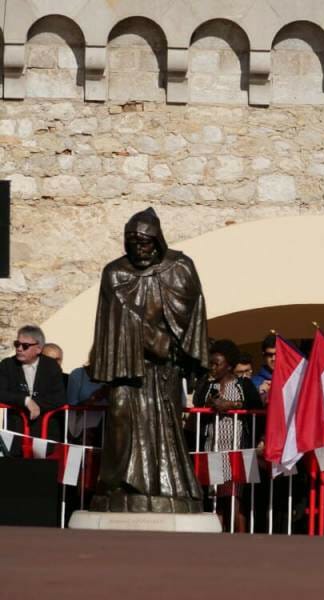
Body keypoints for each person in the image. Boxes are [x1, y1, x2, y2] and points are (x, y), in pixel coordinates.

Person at [88, 208, 207, 513]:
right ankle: (118, 483)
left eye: (144, 243)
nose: (139, 249)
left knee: (165, 425)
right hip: (127, 365)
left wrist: (175, 349)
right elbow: (113, 322)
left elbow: (192, 314)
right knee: (119, 414)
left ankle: (168, 487)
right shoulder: (115, 273)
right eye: (132, 243)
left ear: (157, 241)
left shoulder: (179, 267)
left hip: (165, 365)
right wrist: (149, 339)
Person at [194, 339, 260, 532]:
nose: (213, 368)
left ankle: (239, 540)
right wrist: (210, 399)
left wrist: (230, 405)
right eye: (211, 363)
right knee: (216, 500)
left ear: (229, 366)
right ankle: (218, 540)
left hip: (237, 450)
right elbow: (198, 400)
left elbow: (255, 404)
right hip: (213, 448)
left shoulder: (243, 384)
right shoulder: (207, 384)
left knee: (234, 499)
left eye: (217, 364)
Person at [0, 325, 65, 454]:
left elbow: (59, 397)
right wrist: (25, 401)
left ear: (39, 349)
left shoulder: (51, 366)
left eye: (25, 346)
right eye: (17, 344)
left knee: (41, 472)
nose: (19, 349)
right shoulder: (7, 364)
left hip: (45, 432)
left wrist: (36, 405)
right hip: (15, 431)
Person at [251, 334, 276, 404]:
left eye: (277, 354)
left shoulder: (292, 379)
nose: (273, 359)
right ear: (264, 355)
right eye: (269, 355)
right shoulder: (254, 382)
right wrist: (258, 393)